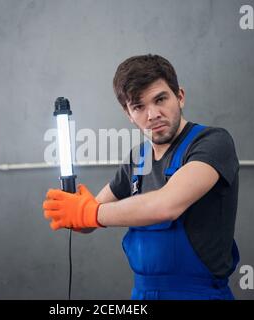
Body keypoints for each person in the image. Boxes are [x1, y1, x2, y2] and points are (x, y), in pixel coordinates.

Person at [42, 54, 240, 300]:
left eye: (160, 99)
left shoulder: (211, 143)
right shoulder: (137, 160)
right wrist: (74, 210)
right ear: (128, 113)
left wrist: (89, 212)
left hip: (199, 295)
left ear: (180, 97)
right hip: (143, 296)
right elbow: (89, 221)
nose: (152, 114)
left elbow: (166, 205)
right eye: (139, 106)